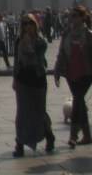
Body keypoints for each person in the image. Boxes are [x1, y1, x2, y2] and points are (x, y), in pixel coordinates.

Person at [11, 12, 54, 156]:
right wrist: (14, 79)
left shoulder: (41, 42)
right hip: (23, 79)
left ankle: (49, 135)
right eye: (24, 24)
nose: (27, 26)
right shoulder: (18, 41)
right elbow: (16, 62)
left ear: (35, 25)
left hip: (38, 78)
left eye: (30, 23)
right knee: (21, 112)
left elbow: (38, 61)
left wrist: (29, 47)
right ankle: (19, 144)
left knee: (39, 111)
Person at [53, 5, 92, 147]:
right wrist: (57, 71)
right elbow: (61, 53)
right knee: (79, 102)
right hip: (70, 73)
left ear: (83, 18)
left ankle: (73, 135)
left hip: (86, 73)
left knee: (77, 99)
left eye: (75, 15)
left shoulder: (89, 35)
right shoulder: (66, 33)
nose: (72, 18)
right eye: (71, 15)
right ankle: (87, 136)